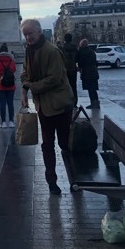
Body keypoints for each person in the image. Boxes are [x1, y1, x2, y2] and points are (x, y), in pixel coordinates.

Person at [20, 18, 74, 195]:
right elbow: (24, 73)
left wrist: (31, 86)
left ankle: (74, 179)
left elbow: (54, 79)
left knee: (65, 145)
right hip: (43, 106)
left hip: (59, 105)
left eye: (30, 33)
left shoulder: (52, 51)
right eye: (25, 34)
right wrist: (26, 85)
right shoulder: (29, 50)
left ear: (39, 31)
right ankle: (51, 181)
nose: (28, 37)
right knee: (47, 145)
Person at [0, 43, 16, 128]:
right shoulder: (11, 59)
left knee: (2, 103)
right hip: (11, 84)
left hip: (0, 84)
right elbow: (14, 70)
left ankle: (3, 122)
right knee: (10, 103)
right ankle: (11, 121)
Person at [76, 39, 99, 108]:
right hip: (94, 72)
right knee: (94, 89)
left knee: (90, 89)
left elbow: (81, 63)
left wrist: (79, 68)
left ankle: (93, 103)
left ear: (82, 45)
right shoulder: (92, 51)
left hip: (87, 73)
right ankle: (96, 102)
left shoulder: (82, 52)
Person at [60, 33, 78, 105]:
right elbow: (77, 58)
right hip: (73, 69)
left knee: (65, 86)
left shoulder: (62, 49)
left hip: (65, 70)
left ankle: (67, 102)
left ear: (65, 39)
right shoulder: (75, 48)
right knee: (74, 86)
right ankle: (74, 102)